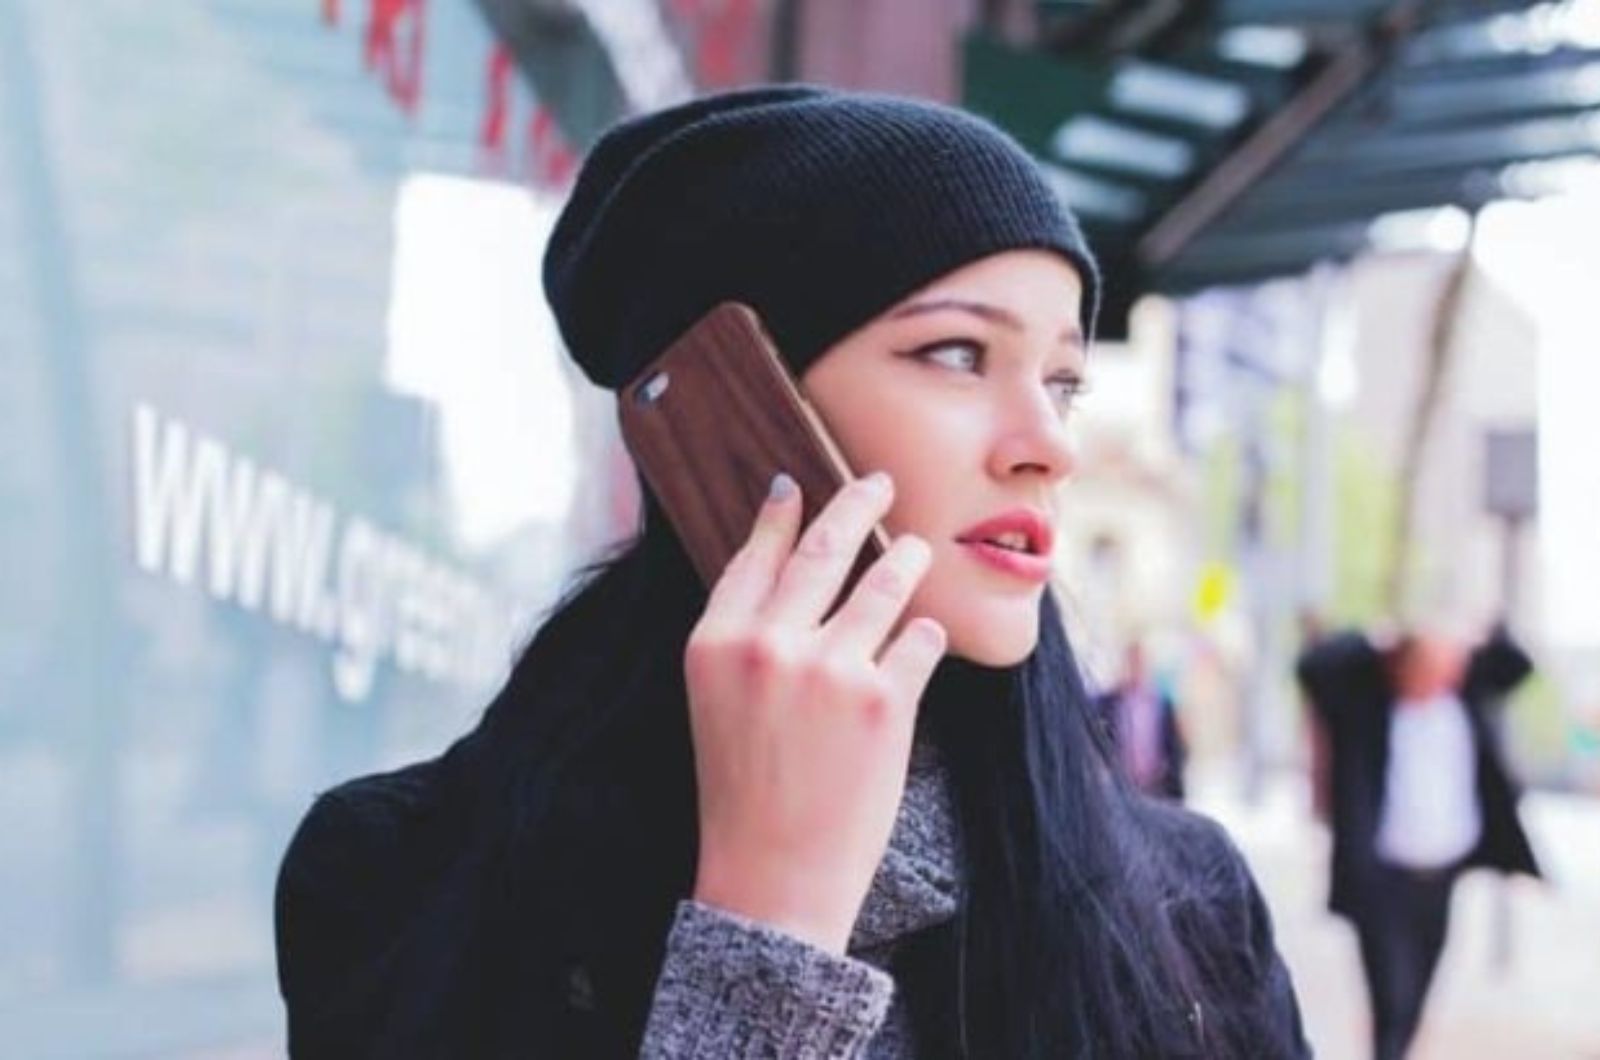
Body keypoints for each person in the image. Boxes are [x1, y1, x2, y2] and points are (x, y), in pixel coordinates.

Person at [275, 85, 1308, 1059]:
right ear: (735, 413)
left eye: (1062, 382)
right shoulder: (405, 874)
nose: (1049, 445)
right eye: (954, 354)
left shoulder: (1186, 902)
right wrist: (768, 930)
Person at [1296, 621, 1540, 1060]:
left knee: (1418, 998)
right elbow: (1312, 667)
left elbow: (1519, 664)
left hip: (1442, 877)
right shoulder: (1367, 705)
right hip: (1383, 883)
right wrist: (1376, 640)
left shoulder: (1466, 698)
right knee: (1392, 998)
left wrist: (1480, 631)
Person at [1096, 639, 1187, 800]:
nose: (1136, 668)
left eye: (1140, 662)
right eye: (1132, 662)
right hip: (1120, 788)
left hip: (1156, 788)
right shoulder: (1109, 703)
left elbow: (1176, 747)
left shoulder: (1162, 704)